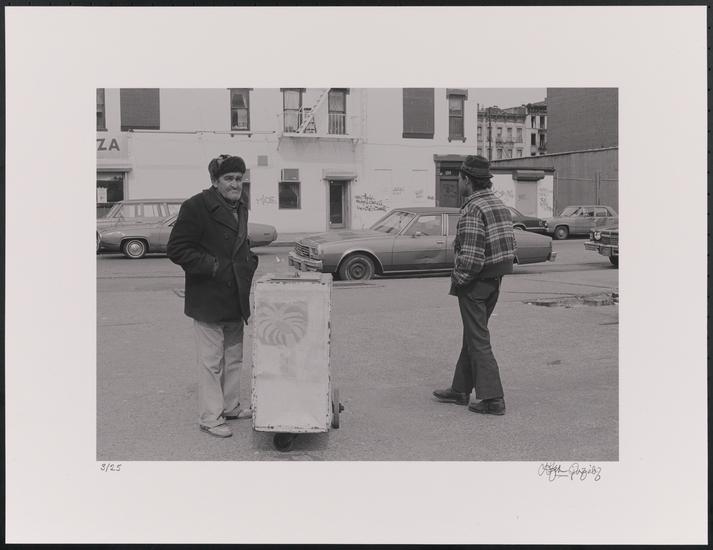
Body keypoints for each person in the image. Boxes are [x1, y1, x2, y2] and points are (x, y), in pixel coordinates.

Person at [167, 154, 259, 437]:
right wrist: (215, 267)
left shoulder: (240, 205)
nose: (235, 184)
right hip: (208, 295)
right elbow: (177, 249)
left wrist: (248, 262)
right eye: (228, 179)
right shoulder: (196, 206)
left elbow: (239, 243)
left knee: (234, 358)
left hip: (235, 295)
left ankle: (230, 406)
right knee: (211, 362)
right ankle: (210, 417)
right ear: (215, 181)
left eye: (239, 179)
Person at [433, 155, 515, 416]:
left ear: (467, 180)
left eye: (459, 178)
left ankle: (493, 399)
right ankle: (460, 389)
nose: (458, 183)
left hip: (475, 283)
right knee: (473, 334)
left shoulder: (472, 209)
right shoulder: (499, 205)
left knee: (478, 339)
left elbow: (470, 257)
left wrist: (458, 280)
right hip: (495, 280)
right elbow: (510, 246)